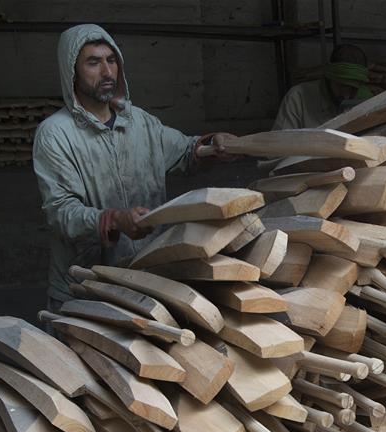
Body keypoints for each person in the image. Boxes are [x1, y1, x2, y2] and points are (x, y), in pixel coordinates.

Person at [33, 24, 235, 311]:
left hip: (147, 279)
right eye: (93, 62)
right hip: (86, 286)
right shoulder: (56, 134)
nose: (107, 72)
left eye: (111, 60)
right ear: (71, 72)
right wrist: (115, 220)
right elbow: (61, 213)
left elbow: (186, 151)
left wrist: (215, 144)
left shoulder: (138, 121)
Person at [272, 44, 373, 131]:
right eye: (341, 86)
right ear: (329, 79)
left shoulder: (366, 100)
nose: (346, 96)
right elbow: (278, 147)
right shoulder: (298, 97)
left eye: (353, 89)